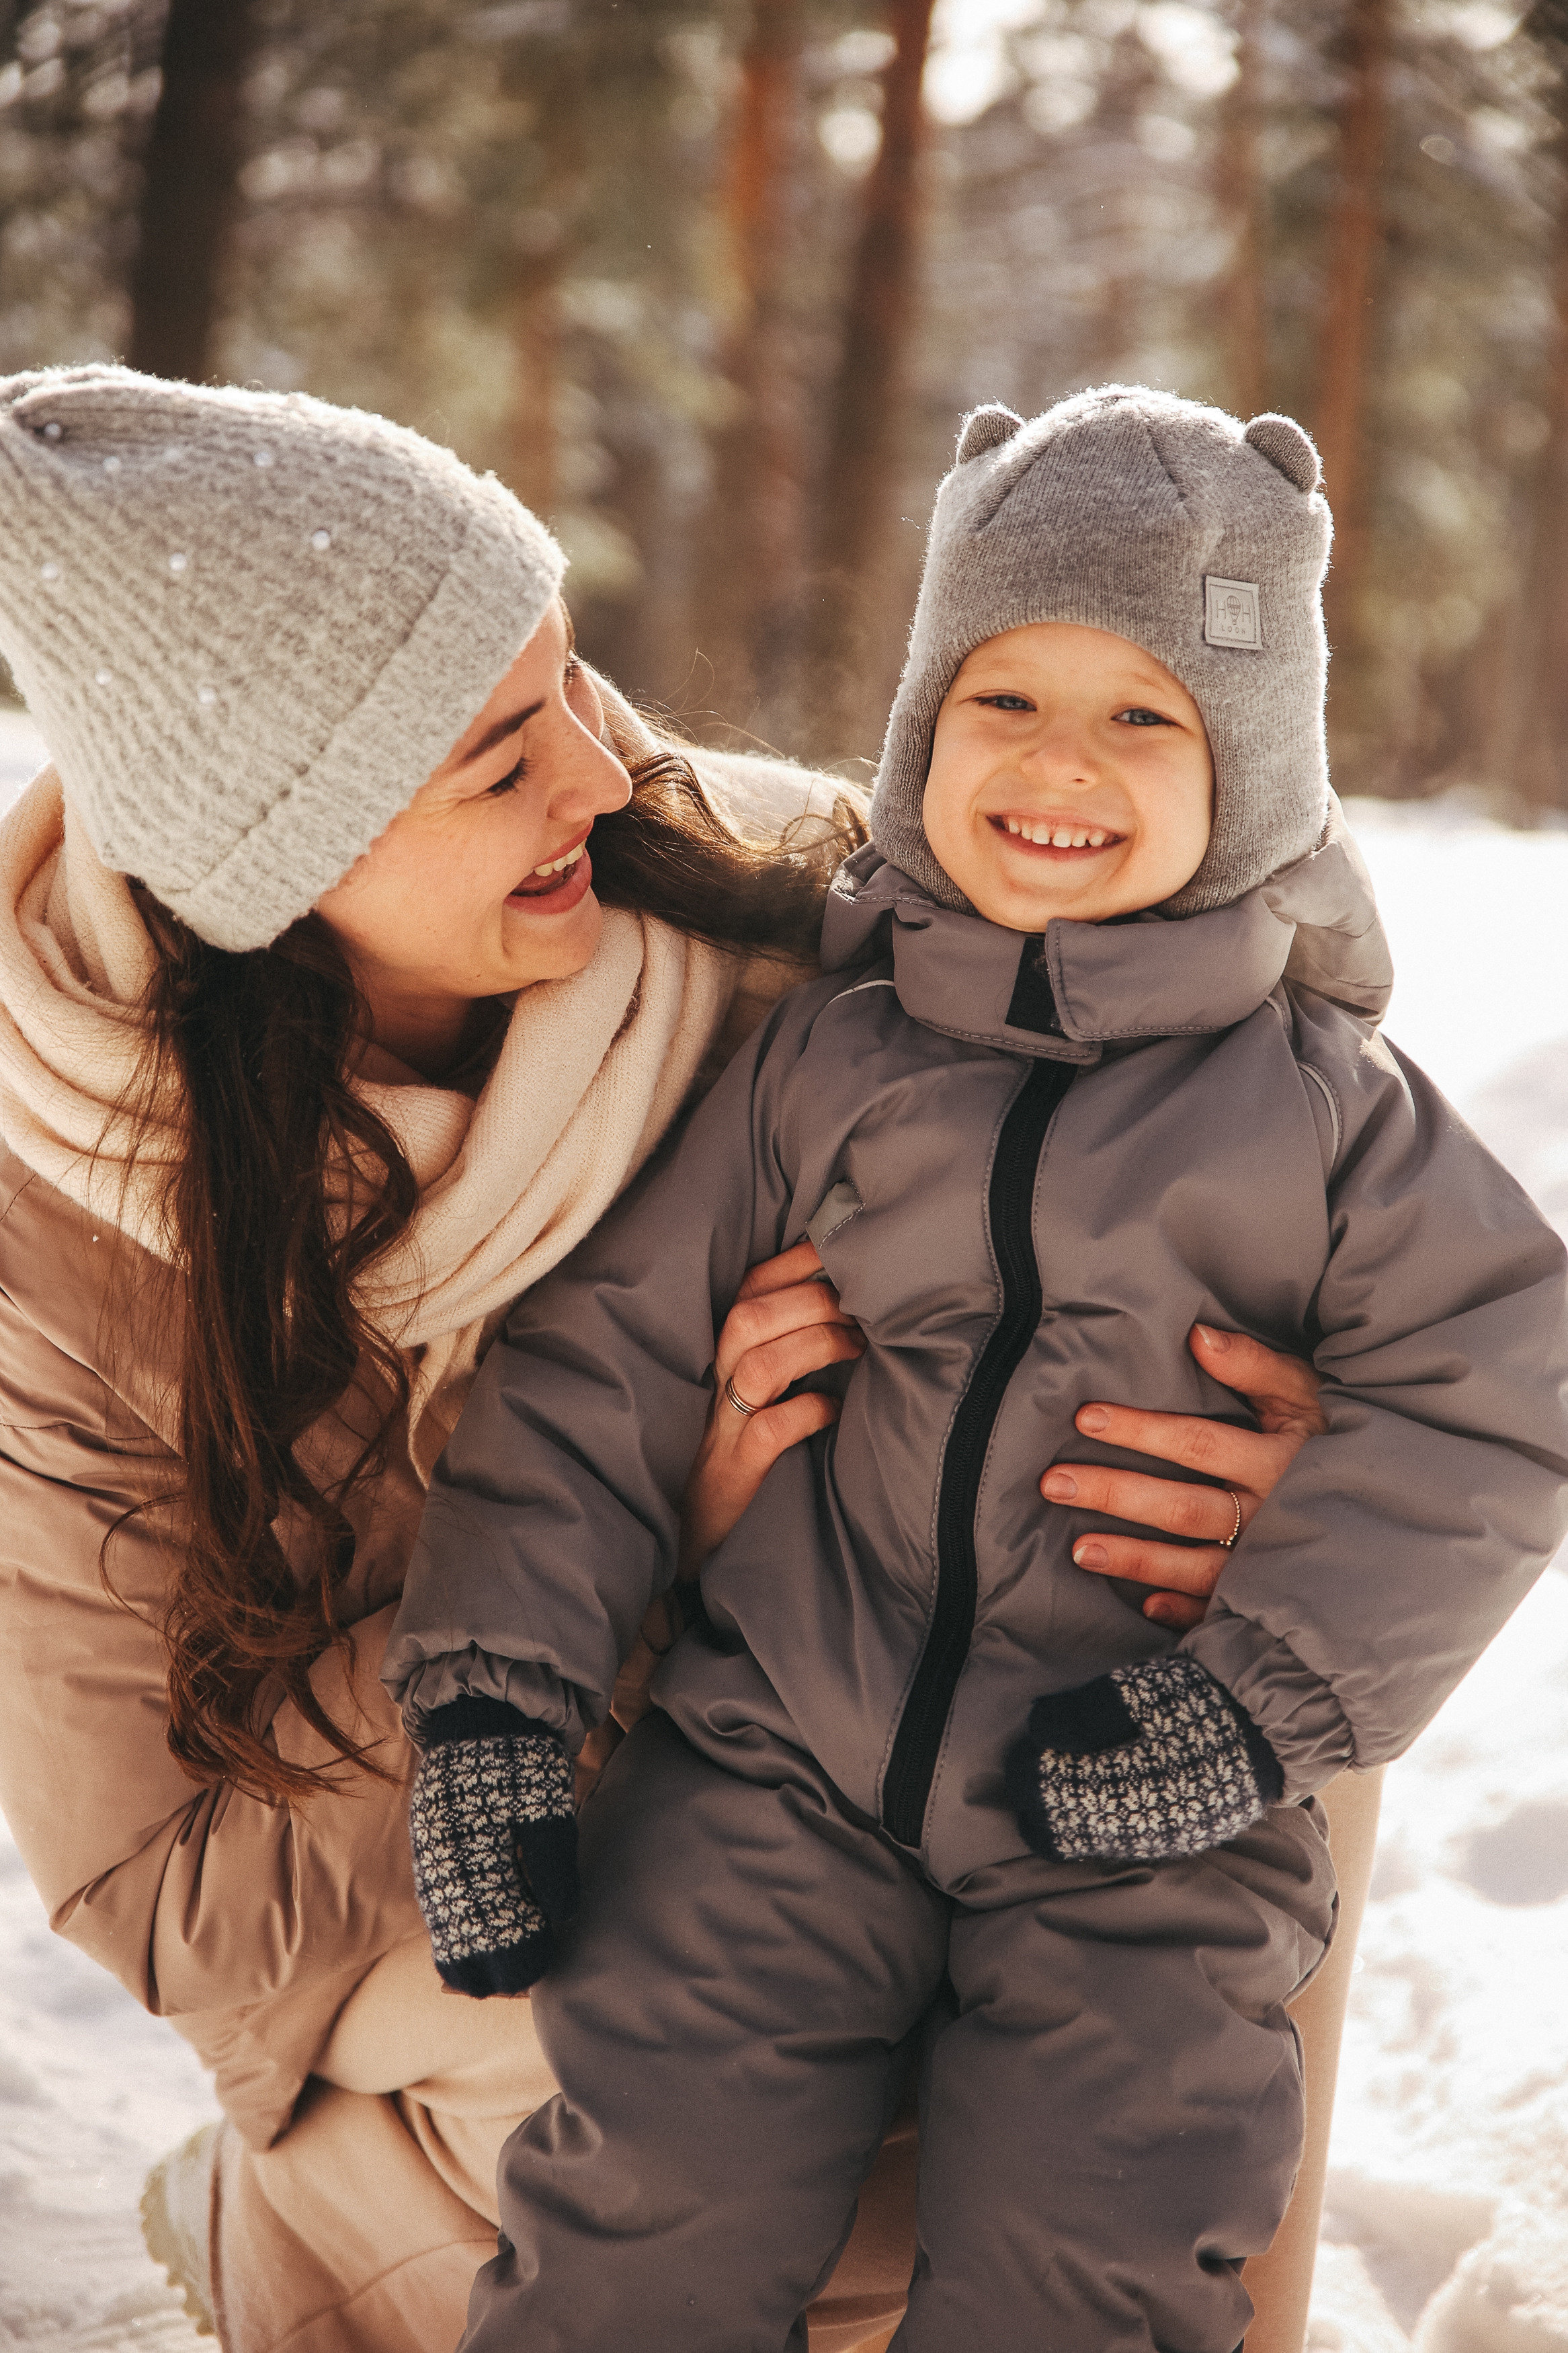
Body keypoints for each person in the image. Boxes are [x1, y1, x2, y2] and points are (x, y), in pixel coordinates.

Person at [0, 364, 1333, 2353]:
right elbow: (164, 1890)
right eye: (497, 763)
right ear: (278, 866)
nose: (604, 781)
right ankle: (319, 2236)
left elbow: (1242, 1006)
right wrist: (639, 1572)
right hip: (454, 1862)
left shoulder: (785, 901)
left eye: (570, 682)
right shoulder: (58, 1249)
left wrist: (1298, 1443)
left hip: (909, 1725)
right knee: (775, 2147)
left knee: (1213, 1871)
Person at [386, 389, 1568, 2353]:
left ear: (1254, 775)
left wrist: (1253, 1707)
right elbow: (604, 1362)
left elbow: (1498, 1402)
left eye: (1145, 716)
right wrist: (500, 1699)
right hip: (777, 1762)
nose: (1058, 760)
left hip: (1154, 1807)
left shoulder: (1325, 1115)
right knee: (650, 2196)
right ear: (923, 732)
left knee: (1101, 2233)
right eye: (1002, 696)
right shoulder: (821, 1058)